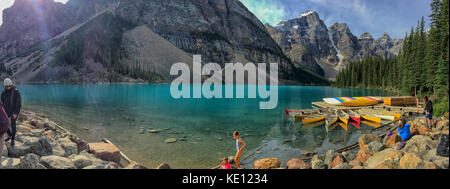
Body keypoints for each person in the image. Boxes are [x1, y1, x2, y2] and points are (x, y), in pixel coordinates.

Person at [1, 78, 21, 147]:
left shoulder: (16, 91)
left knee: (13, 124)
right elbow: (2, 102)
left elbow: (18, 103)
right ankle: (9, 135)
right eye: (6, 86)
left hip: (14, 111)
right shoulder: (3, 92)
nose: (8, 87)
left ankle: (13, 139)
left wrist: (16, 113)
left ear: (11, 84)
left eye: (9, 86)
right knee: (4, 124)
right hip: (6, 111)